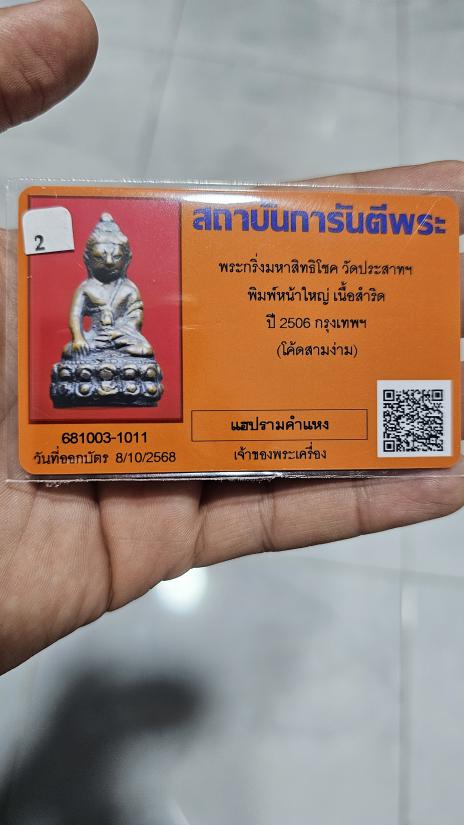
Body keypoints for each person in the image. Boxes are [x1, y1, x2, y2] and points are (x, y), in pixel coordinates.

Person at [0, 0, 462, 676]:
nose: (104, 263)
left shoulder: (126, 289)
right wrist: (80, 340)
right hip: (91, 363)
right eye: (98, 256)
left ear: (124, 257)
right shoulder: (86, 288)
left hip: (124, 356)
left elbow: (134, 325)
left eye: (113, 256)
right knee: (81, 367)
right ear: (93, 256)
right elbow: (77, 325)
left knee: (142, 362)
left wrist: (125, 338)